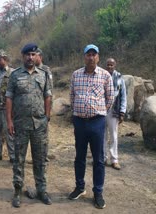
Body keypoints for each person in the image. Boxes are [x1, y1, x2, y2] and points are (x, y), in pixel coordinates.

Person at [5, 43, 52, 207]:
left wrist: (47, 117)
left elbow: (48, 96)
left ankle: (42, 190)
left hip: (39, 124)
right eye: (27, 55)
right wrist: (9, 121)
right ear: (22, 56)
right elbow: (9, 98)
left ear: (36, 55)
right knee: (19, 160)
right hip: (20, 124)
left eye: (33, 54)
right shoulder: (15, 75)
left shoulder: (43, 74)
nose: (30, 57)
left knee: (40, 159)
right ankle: (17, 191)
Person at [69, 44, 114, 209]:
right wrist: (77, 113)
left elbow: (110, 98)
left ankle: (98, 192)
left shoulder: (105, 76)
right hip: (80, 122)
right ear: (84, 57)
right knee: (79, 157)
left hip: (97, 122)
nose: (91, 57)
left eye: (94, 54)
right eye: (88, 54)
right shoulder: (76, 75)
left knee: (99, 159)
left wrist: (99, 112)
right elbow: (72, 96)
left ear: (98, 57)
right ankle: (80, 187)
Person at [104, 58, 127, 170]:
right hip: (102, 111)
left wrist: (122, 112)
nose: (109, 67)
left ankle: (114, 160)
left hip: (114, 111)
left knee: (113, 135)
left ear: (115, 65)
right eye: (108, 65)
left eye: (111, 65)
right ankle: (102, 158)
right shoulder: (101, 75)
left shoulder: (119, 77)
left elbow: (123, 96)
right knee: (102, 136)